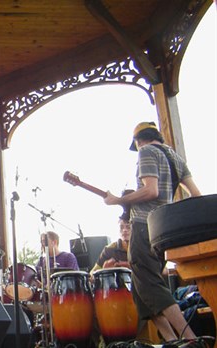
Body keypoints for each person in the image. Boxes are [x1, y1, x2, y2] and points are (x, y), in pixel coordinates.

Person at [104, 121, 201, 341]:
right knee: (143, 293)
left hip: (144, 226)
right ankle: (172, 342)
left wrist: (118, 200)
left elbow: (150, 190)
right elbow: (196, 194)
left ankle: (191, 340)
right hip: (163, 230)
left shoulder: (146, 151)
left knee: (152, 286)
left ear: (138, 141)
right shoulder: (175, 157)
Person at [90, 205, 132, 274]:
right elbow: (92, 275)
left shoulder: (143, 247)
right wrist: (104, 270)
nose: (124, 230)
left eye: (128, 227)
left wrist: (131, 267)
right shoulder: (109, 249)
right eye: (121, 227)